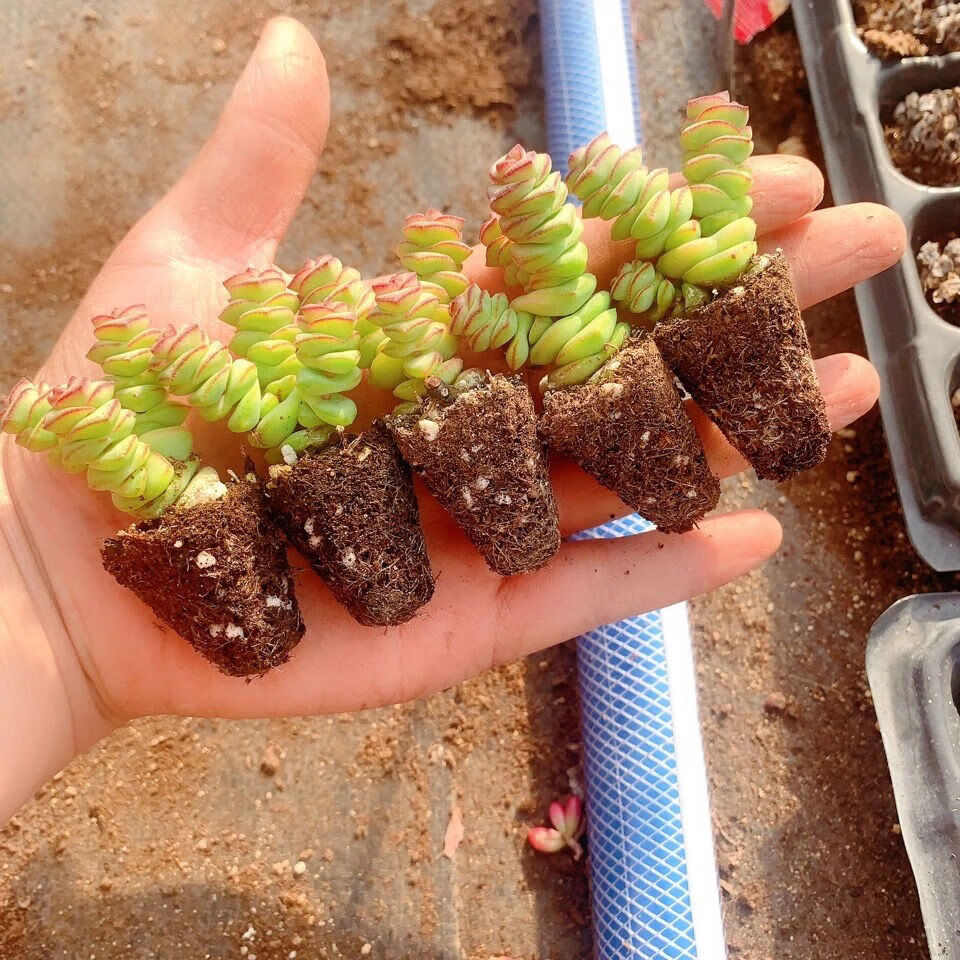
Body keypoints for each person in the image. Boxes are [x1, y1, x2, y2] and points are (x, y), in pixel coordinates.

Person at [0, 17, 903, 825]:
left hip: (583, 356)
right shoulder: (302, 404)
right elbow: (279, 406)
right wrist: (30, 583)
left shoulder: (563, 316)